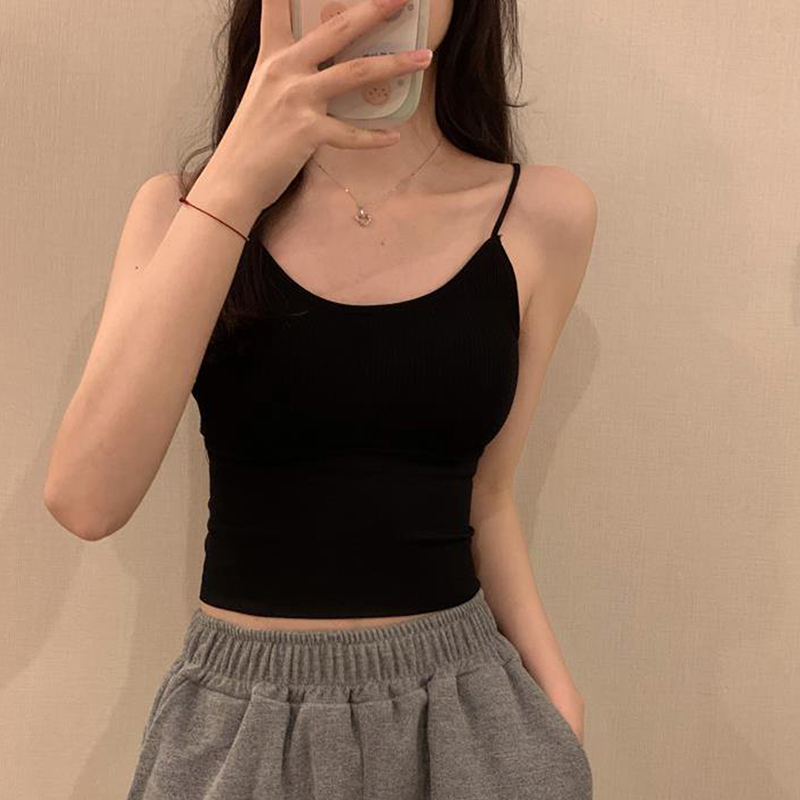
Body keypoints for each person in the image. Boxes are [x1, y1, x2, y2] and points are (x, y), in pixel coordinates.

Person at [44, 0, 598, 796]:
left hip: (467, 716)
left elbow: (489, 495)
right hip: (242, 722)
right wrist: (238, 179)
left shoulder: (543, 216)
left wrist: (558, 703)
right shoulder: (182, 210)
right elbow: (85, 501)